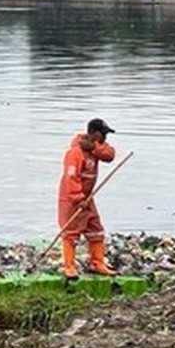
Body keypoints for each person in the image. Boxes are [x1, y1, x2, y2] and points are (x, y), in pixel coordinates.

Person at [57, 118, 118, 279]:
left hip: (88, 197)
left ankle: (97, 263)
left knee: (96, 229)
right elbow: (71, 178)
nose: (105, 138)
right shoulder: (75, 152)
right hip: (72, 198)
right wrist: (78, 199)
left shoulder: (93, 149)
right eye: (102, 134)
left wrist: (94, 147)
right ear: (93, 133)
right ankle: (69, 267)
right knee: (71, 231)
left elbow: (110, 155)